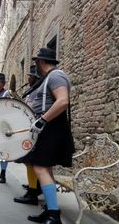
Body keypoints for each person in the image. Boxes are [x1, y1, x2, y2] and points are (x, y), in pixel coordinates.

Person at [25, 48, 74, 224]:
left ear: (41, 62)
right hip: (49, 126)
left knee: (39, 167)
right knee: (45, 168)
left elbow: (63, 100)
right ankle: (50, 209)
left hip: (51, 126)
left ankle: (54, 215)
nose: (35, 65)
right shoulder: (49, 77)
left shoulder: (56, 76)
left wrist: (42, 120)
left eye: (36, 62)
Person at [13, 65, 42, 205]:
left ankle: (33, 192)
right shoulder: (31, 91)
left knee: (30, 160)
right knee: (28, 161)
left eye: (30, 76)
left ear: (35, 77)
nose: (28, 78)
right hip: (29, 129)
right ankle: (34, 187)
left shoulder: (38, 91)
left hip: (35, 129)